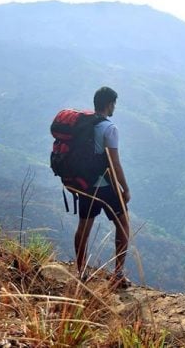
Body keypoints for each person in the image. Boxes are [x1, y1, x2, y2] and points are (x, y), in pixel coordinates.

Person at [74, 86, 131, 287]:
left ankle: (80, 272)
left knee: (84, 227)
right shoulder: (110, 128)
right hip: (105, 186)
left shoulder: (85, 124)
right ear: (109, 104)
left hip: (84, 184)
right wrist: (125, 188)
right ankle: (117, 274)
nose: (114, 107)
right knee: (123, 225)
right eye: (114, 103)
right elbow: (114, 163)